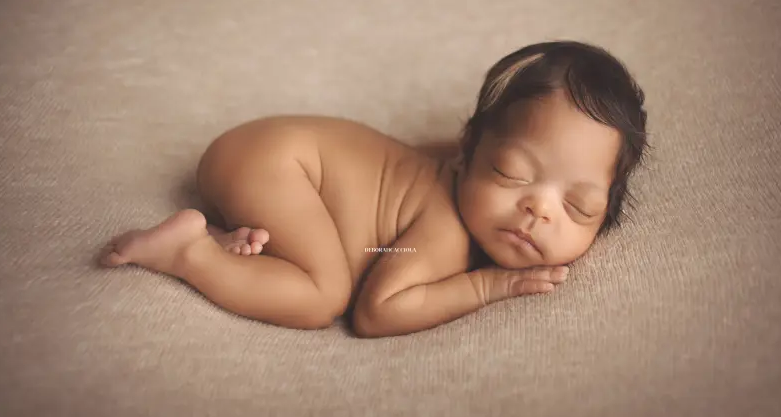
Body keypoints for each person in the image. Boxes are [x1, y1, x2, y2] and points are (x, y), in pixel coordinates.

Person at [99, 40, 649, 338]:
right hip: (281, 164)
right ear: (468, 153)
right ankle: (188, 253)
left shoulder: (451, 166)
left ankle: (228, 241)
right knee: (321, 297)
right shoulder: (444, 233)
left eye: (580, 207)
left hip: (267, 155)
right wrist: (487, 288)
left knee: (308, 255)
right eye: (510, 172)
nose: (538, 208)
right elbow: (378, 312)